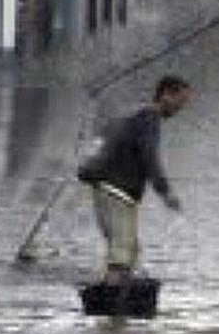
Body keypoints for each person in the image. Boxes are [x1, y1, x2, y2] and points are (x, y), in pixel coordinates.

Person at [77, 76, 191, 285]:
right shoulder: (149, 118)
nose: (180, 108)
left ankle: (116, 309)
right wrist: (165, 192)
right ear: (166, 95)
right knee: (122, 256)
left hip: (107, 190)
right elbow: (150, 157)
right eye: (180, 101)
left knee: (129, 252)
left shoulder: (134, 116)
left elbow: (103, 138)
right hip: (118, 193)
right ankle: (112, 307)